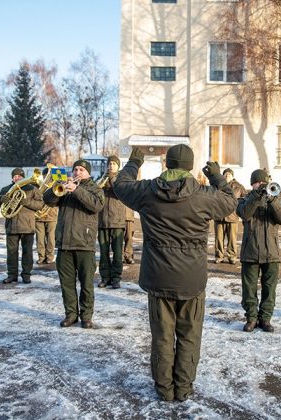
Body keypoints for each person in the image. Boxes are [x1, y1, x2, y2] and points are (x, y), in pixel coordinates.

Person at [113, 144, 237, 402]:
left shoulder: (148, 191)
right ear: (190, 166)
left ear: (167, 164)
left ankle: (164, 389)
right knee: (189, 336)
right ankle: (183, 388)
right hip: (191, 279)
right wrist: (215, 175)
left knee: (162, 336)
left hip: (158, 277)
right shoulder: (204, 195)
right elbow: (230, 201)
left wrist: (135, 162)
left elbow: (121, 186)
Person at [43, 159, 105, 329]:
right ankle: (71, 315)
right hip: (64, 244)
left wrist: (77, 190)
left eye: (82, 170)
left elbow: (96, 205)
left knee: (86, 285)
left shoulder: (94, 188)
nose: (78, 172)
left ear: (88, 173)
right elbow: (47, 200)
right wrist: (57, 190)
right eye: (75, 169)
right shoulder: (65, 186)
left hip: (85, 244)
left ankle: (86, 316)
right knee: (67, 284)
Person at [237, 169, 281, 333]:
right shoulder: (244, 199)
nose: (261, 185)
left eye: (262, 183)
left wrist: (272, 199)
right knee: (249, 289)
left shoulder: (276, 198)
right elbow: (245, 214)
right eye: (257, 183)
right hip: (250, 253)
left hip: (271, 253)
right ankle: (251, 318)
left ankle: (265, 318)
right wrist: (256, 195)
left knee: (269, 289)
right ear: (252, 184)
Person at [0, 168, 44, 284]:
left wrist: (28, 203)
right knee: (11, 253)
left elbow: (40, 204)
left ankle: (26, 275)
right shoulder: (6, 189)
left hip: (28, 226)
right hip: (11, 226)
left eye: (19, 176)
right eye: (15, 176)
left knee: (27, 252)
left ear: (23, 177)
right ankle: (12, 275)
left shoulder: (32, 188)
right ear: (12, 177)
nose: (17, 178)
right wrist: (0, 198)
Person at [98, 155, 126, 289]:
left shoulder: (121, 179)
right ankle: (105, 277)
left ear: (118, 166)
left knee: (117, 252)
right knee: (103, 252)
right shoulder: (101, 178)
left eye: (114, 164)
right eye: (109, 164)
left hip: (117, 221)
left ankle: (116, 278)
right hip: (102, 221)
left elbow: (121, 191)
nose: (111, 166)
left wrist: (112, 178)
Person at [214, 168, 246, 264]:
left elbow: (245, 198)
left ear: (232, 176)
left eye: (229, 174)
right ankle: (219, 256)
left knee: (232, 239)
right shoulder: (217, 185)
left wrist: (240, 209)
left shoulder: (239, 187)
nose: (227, 176)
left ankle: (232, 256)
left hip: (233, 216)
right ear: (223, 176)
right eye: (225, 174)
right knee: (219, 238)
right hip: (219, 216)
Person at [35, 167, 58, 265]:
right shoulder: (37, 185)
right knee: (40, 238)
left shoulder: (56, 185)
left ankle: (49, 257)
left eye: (48, 176)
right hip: (39, 215)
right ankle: (41, 257)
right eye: (45, 176)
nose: (46, 178)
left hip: (51, 215)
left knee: (51, 238)